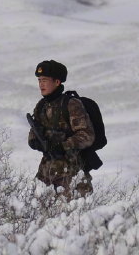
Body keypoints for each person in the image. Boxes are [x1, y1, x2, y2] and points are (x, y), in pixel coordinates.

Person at [27, 59, 96, 196]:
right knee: (35, 208)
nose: (41, 84)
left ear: (57, 82)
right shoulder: (41, 106)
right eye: (39, 80)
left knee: (74, 213)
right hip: (46, 172)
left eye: (45, 80)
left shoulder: (71, 104)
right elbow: (33, 133)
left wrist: (63, 146)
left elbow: (87, 135)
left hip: (71, 171)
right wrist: (35, 141)